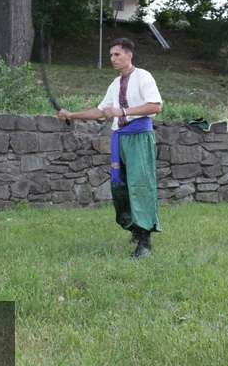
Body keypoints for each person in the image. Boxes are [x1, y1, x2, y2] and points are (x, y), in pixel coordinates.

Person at [58, 37, 162, 258]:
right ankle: (136, 228)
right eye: (111, 55)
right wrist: (71, 114)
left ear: (129, 55)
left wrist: (123, 111)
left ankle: (145, 243)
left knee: (140, 185)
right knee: (122, 185)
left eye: (117, 54)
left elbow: (155, 106)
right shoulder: (115, 84)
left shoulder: (144, 76)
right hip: (121, 138)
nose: (113, 59)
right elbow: (101, 110)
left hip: (140, 136)